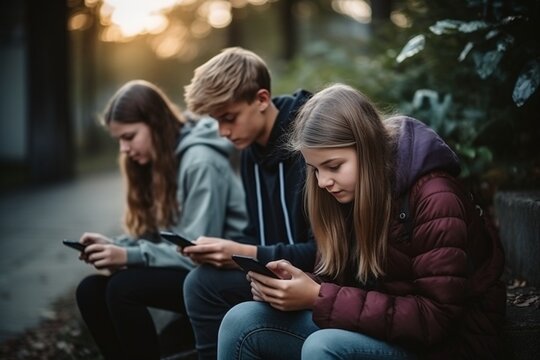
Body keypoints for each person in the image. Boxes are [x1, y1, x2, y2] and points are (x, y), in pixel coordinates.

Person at [217, 83, 506, 360]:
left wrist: (318, 297)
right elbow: (340, 284)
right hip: (375, 329)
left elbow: (436, 319)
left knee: (324, 346)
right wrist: (298, 285)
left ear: (367, 147)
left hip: (446, 347)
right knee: (242, 321)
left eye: (333, 166)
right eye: (314, 169)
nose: (323, 182)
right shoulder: (343, 194)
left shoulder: (436, 198)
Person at [75, 80, 247, 360]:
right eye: (119, 139)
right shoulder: (161, 161)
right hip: (190, 267)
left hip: (223, 275)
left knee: (123, 288)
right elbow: (160, 235)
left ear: (155, 123)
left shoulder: (200, 161)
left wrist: (128, 256)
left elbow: (196, 250)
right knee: (90, 290)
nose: (123, 148)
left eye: (129, 136)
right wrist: (114, 246)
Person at [181, 47, 317, 359]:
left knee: (201, 286)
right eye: (216, 120)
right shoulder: (249, 152)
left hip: (314, 279)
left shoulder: (308, 146)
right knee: (201, 280)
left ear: (261, 99)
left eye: (229, 118)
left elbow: (322, 250)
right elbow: (258, 231)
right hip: (276, 269)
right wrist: (218, 249)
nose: (223, 132)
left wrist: (244, 253)